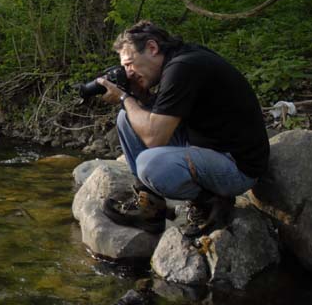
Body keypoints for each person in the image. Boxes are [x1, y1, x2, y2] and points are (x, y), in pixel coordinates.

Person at [97, 20, 270, 236]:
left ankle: (209, 202)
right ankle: (151, 206)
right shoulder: (178, 60)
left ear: (152, 47)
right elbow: (158, 116)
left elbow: (155, 138)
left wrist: (125, 98)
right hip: (207, 145)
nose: (128, 73)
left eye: (130, 64)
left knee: (150, 164)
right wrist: (137, 96)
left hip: (237, 167)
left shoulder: (183, 67)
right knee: (127, 118)